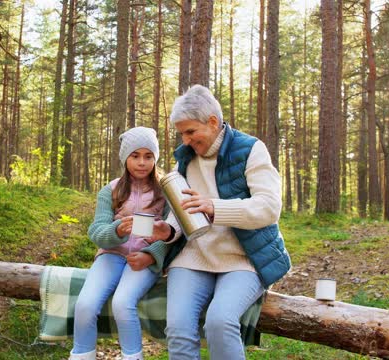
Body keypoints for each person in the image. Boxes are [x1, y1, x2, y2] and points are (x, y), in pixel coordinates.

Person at [162, 85, 291, 360]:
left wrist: (214, 207)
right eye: (181, 133)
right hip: (193, 257)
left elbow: (269, 207)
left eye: (190, 131)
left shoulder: (251, 149)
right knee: (177, 326)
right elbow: (178, 209)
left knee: (220, 322)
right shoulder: (184, 158)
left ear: (212, 122)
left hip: (244, 258)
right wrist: (168, 230)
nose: (184, 141)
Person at [69, 127, 175, 360]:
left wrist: (150, 255)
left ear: (155, 159)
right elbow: (96, 231)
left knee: (122, 303)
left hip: (144, 261)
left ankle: (132, 356)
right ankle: (82, 355)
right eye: (135, 156)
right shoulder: (111, 190)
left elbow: (173, 235)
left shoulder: (165, 192)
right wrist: (117, 230)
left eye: (148, 156)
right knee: (85, 305)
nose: (142, 162)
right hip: (111, 255)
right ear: (125, 158)